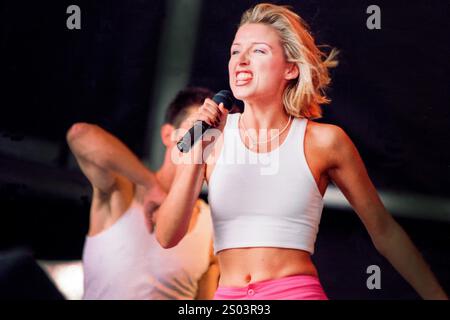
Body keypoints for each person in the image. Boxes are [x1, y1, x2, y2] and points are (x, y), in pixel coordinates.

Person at [152, 4, 448, 300]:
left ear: (290, 68)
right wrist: (198, 153)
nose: (241, 61)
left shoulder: (324, 141)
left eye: (258, 51)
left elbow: (384, 230)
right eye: (235, 51)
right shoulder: (211, 136)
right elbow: (166, 236)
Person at [66, 87, 219, 300]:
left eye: (216, 135)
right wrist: (151, 185)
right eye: (199, 128)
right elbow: (80, 134)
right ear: (168, 135)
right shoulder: (122, 192)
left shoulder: (212, 224)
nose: (207, 141)